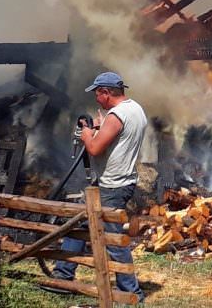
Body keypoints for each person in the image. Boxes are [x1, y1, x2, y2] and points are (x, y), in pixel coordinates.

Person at [50, 72, 147, 303]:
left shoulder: (116, 116)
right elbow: (118, 137)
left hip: (112, 186)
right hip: (116, 182)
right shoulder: (135, 109)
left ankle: (132, 294)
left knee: (113, 240)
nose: (95, 97)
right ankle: (63, 275)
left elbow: (94, 149)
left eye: (97, 92)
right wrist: (101, 127)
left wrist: (86, 134)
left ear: (106, 92)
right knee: (79, 223)